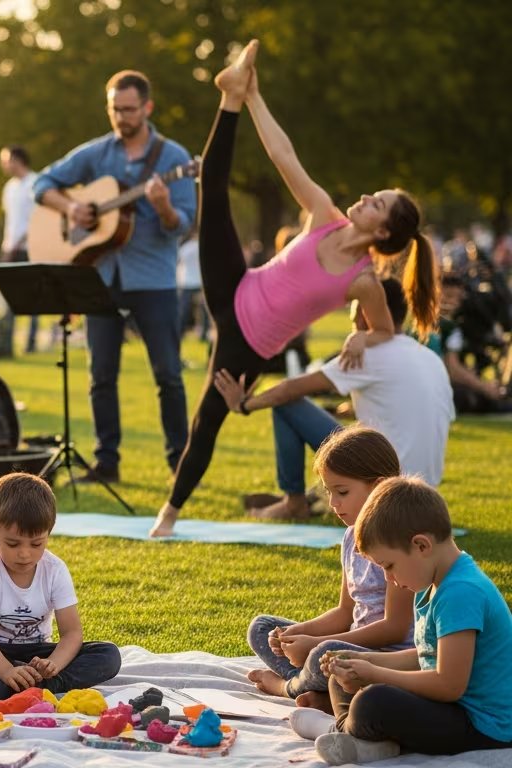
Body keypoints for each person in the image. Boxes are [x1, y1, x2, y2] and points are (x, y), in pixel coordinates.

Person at [150, 41, 440, 537]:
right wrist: (254, 96)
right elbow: (284, 156)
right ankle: (231, 95)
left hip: (250, 345)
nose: (366, 196)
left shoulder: (363, 281)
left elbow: (387, 333)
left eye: (378, 203)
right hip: (234, 288)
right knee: (211, 190)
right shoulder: (324, 216)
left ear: (384, 233)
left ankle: (168, 514)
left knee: (211, 419)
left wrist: (360, 337)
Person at [34, 69, 197, 485]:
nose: (121, 117)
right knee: (100, 375)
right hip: (102, 276)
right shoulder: (98, 154)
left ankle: (180, 461)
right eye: (114, 110)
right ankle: (107, 461)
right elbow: (43, 182)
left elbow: (182, 224)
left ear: (147, 107)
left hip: (154, 279)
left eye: (128, 110)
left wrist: (162, 207)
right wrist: (70, 208)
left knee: (168, 374)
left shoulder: (175, 159)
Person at [292, 478, 512, 764]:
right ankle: (367, 741)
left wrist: (374, 674)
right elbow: (425, 657)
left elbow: (449, 684)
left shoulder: (460, 592)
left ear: (421, 545)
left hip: (485, 725)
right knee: (340, 678)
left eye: (389, 566)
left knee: (374, 701)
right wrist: (364, 661)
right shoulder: (433, 583)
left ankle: (338, 729)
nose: (388, 578)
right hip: (454, 706)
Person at [215, 278, 454, 520]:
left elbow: (290, 390)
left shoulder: (368, 353)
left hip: (384, 483)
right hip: (423, 491)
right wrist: (347, 410)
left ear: (364, 313)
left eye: (353, 319)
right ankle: (314, 496)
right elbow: (406, 410)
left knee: (286, 405)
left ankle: (293, 503)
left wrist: (243, 404)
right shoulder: (430, 358)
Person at [244, 428, 414, 713]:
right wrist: (294, 633)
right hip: (350, 646)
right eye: (328, 492)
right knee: (262, 627)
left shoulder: (400, 541)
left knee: (324, 653)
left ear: (378, 486)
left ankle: (287, 687)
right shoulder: (350, 537)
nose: (333, 503)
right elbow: (344, 613)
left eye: (342, 492)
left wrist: (317, 643)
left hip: (391, 659)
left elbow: (394, 630)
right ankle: (325, 696)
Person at [0, 473, 121, 698]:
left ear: (49, 533)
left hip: (37, 653)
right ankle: (14, 680)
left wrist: (53, 664)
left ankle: (38, 684)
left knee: (109, 654)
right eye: (13, 543)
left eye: (37, 543)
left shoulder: (55, 569)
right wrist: (6, 670)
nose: (25, 554)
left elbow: (72, 633)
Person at [430, 273, 512, 413]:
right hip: (434, 388)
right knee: (472, 397)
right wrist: (484, 387)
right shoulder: (448, 327)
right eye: (448, 296)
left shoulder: (423, 320)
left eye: (458, 297)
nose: (454, 302)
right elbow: (453, 370)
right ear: (434, 294)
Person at [0, 145, 43, 353]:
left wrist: (19, 242)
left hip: (29, 247)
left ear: (17, 160)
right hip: (10, 248)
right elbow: (11, 220)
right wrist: (7, 244)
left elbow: (37, 219)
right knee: (10, 296)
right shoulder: (9, 187)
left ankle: (31, 342)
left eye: (6, 160)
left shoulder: (35, 183)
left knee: (32, 297)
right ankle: (7, 341)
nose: (4, 165)